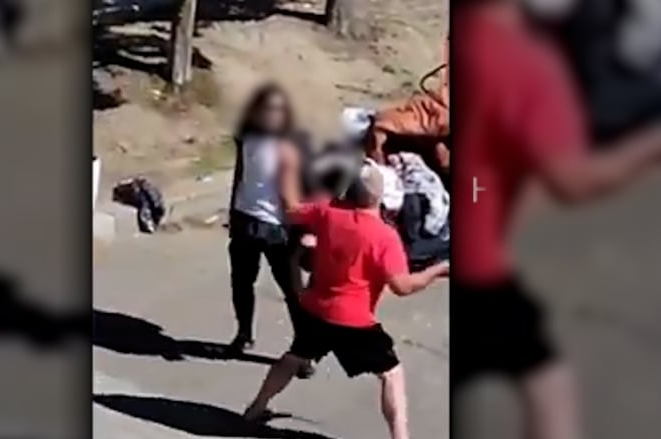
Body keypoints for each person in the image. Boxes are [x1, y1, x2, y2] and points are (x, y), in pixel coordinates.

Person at [453, 1, 661, 438]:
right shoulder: (527, 64)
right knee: (550, 391)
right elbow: (574, 181)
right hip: (481, 266)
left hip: (472, 246)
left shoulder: (467, 34)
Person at [242, 144, 449, 439]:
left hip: (317, 311)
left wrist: (286, 167)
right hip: (355, 322)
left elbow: (291, 210)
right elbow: (402, 286)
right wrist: (438, 270)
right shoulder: (385, 237)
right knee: (391, 374)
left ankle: (256, 408)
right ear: (380, 197)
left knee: (294, 357)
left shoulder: (327, 211)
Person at [227, 82, 315, 377]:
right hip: (251, 222)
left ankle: (302, 352)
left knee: (289, 291)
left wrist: (303, 231)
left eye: (276, 110)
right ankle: (246, 336)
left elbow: (296, 194)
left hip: (273, 228)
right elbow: (240, 175)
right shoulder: (249, 139)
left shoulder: (286, 146)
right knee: (252, 284)